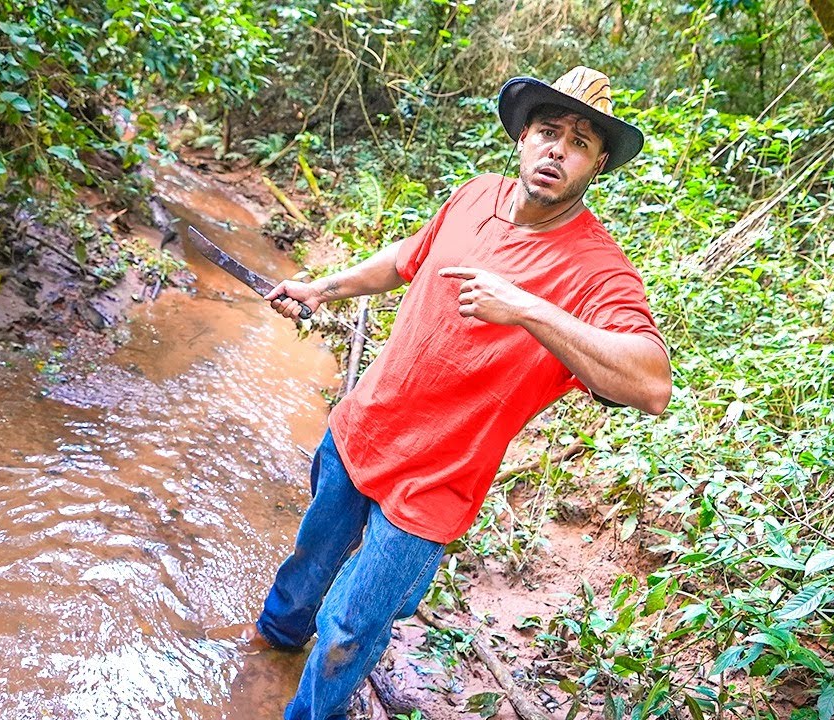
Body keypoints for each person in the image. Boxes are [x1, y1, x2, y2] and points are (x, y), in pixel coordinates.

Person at [252, 65, 671, 720]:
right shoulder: (477, 194)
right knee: (307, 566)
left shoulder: (598, 269)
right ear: (523, 137)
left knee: (346, 633)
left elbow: (651, 383)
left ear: (596, 166)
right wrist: (320, 288)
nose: (558, 148)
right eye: (548, 130)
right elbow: (406, 258)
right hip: (361, 431)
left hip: (435, 486)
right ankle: (267, 652)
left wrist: (528, 309)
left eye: (581, 142)